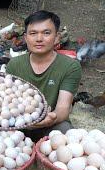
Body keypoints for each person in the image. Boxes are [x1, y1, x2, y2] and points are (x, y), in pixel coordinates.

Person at [6, 10, 82, 142]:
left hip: (51, 124)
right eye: (33, 33)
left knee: (65, 130)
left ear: (57, 37)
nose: (39, 39)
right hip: (18, 123)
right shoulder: (14, 64)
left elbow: (63, 108)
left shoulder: (70, 66)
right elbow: (7, 100)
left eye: (46, 33)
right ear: (25, 37)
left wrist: (50, 119)